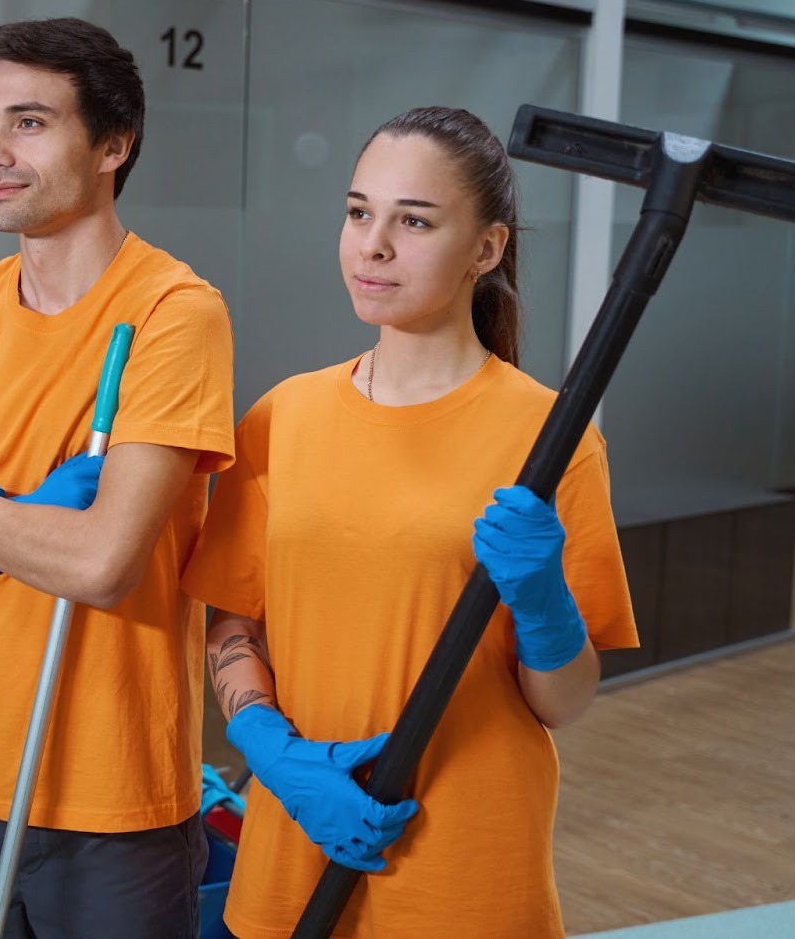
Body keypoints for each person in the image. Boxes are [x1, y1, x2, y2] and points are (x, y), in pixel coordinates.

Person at [182, 107, 639, 938]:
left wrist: (541, 604)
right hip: (297, 847)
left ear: (487, 248)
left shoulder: (552, 440)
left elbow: (565, 703)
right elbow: (232, 619)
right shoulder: (284, 416)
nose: (373, 245)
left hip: (464, 864)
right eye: (359, 212)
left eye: (414, 221)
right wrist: (272, 753)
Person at [0, 17, 236, 939]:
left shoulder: (174, 313)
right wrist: (16, 519)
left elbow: (103, 565)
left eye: (29, 123)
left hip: (112, 790)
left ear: (115, 144)